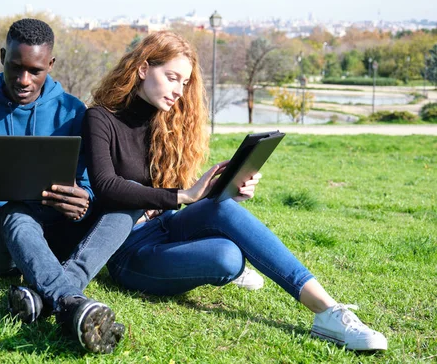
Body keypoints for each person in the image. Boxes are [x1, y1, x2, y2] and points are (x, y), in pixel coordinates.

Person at [81, 31, 388, 352]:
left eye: (184, 83)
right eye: (172, 78)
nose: (178, 91)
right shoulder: (100, 118)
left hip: (168, 225)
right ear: (143, 69)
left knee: (223, 208)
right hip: (129, 250)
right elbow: (106, 186)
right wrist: (182, 195)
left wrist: (223, 190)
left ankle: (328, 312)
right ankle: (219, 261)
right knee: (228, 257)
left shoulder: (166, 121)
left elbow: (172, 195)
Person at [0, 18, 131, 354]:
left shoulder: (73, 113)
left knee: (124, 210)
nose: (23, 80)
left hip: (54, 235)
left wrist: (84, 200)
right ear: (1, 57)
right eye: (15, 67)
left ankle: (40, 298)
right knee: (16, 214)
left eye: (35, 70)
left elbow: (88, 186)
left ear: (50, 65)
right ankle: (71, 303)